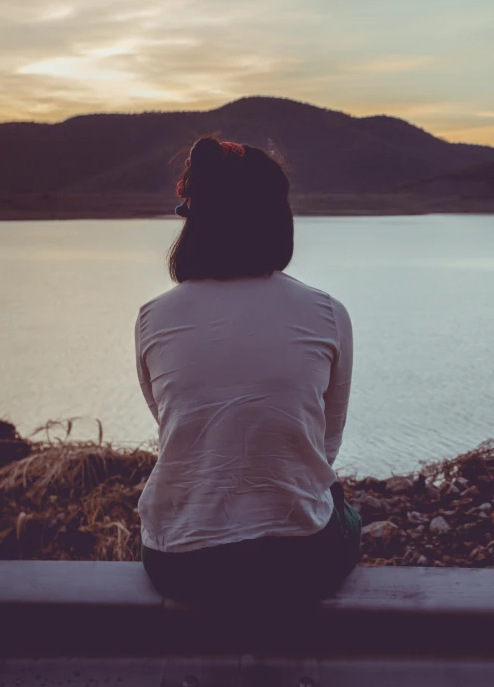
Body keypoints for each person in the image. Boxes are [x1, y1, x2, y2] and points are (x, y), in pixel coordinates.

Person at [134, 135, 359, 606]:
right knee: (345, 513)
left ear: (191, 221)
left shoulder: (152, 317)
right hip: (299, 564)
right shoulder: (326, 313)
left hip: (178, 564)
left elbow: (175, 426)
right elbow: (326, 445)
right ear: (277, 218)